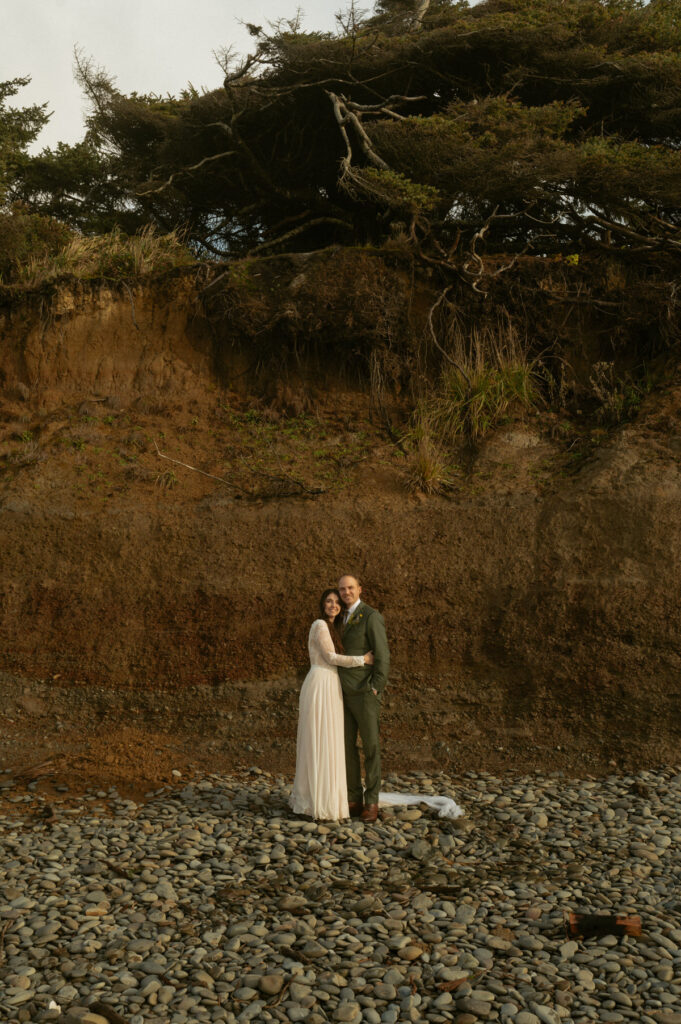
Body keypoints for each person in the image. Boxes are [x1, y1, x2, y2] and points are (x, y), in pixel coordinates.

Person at [289, 589, 374, 820]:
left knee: (328, 739)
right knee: (318, 739)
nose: (333, 605)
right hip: (320, 682)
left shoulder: (333, 628)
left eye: (337, 602)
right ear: (322, 604)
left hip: (330, 683)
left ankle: (326, 797)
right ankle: (314, 801)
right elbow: (331, 658)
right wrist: (363, 660)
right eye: (329, 601)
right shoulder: (319, 625)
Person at [337, 574, 390, 823]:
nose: (346, 592)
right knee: (347, 747)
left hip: (365, 692)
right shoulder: (338, 617)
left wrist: (376, 687)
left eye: (350, 588)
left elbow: (383, 655)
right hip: (341, 692)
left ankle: (372, 801)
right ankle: (353, 798)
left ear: (360, 589)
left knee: (370, 747)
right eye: (342, 589)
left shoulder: (371, 616)